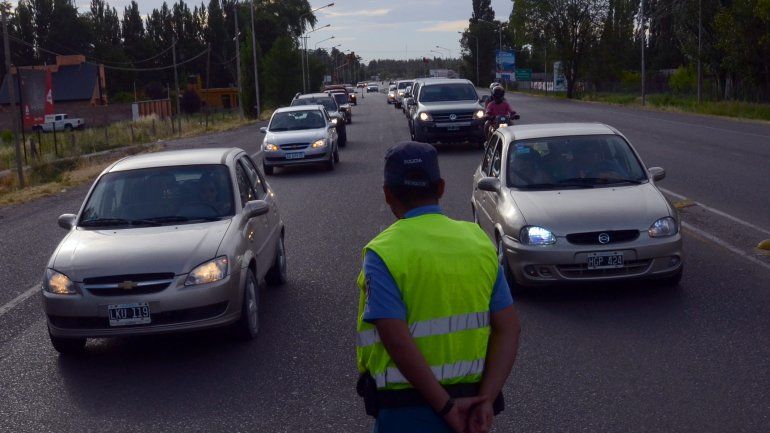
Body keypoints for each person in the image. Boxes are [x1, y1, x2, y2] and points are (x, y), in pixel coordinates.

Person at [355, 142, 521, 433]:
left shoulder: (382, 253)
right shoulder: (479, 242)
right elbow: (509, 329)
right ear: (441, 187)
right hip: (472, 410)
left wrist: (445, 407)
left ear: (387, 194)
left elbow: (396, 340)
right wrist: (487, 400)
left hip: (405, 412)